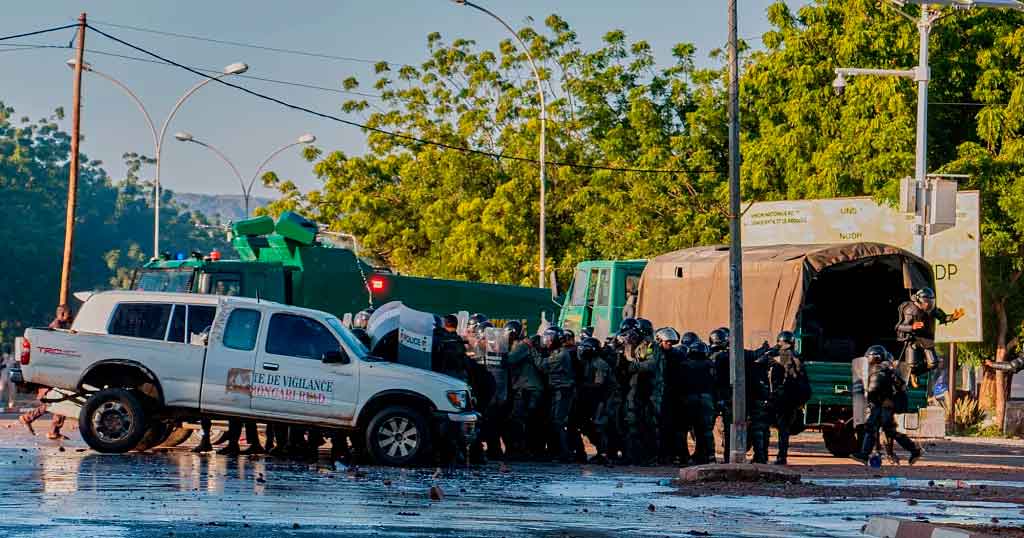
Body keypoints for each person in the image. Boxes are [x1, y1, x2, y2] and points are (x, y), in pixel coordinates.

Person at [852, 345, 923, 466]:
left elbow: (893, 387)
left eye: (872, 357)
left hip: (885, 404)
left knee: (874, 427)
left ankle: (865, 454)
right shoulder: (877, 369)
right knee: (885, 430)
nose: (870, 360)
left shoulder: (887, 369)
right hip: (879, 403)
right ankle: (914, 450)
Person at [750, 331, 809, 465]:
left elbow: (757, 364)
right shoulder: (797, 357)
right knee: (784, 430)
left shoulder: (773, 355)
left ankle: (762, 456)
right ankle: (782, 457)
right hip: (790, 400)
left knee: (763, 426)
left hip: (773, 397)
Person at [19, 305, 74, 439]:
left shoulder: (61, 327)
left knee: (61, 400)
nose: (71, 317)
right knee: (59, 400)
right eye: (69, 314)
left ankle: (52, 429)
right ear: (62, 314)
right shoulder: (57, 328)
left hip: (57, 369)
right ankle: (30, 419)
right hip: (54, 370)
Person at [896, 287, 963, 380]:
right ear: (919, 300)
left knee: (933, 363)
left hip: (926, 338)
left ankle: (916, 374)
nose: (928, 304)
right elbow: (899, 327)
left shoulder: (931, 309)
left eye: (930, 302)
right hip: (913, 339)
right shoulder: (910, 309)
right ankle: (912, 373)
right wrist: (912, 327)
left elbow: (942, 317)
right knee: (911, 365)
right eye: (926, 302)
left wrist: (953, 317)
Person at [623, 320, 661, 465]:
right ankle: (633, 455)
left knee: (649, 423)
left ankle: (651, 457)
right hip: (634, 388)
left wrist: (632, 366)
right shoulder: (629, 344)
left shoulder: (650, 345)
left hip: (650, 389)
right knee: (632, 422)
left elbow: (650, 364)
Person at [535, 327, 576, 462]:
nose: (546, 341)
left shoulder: (561, 355)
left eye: (549, 339)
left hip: (563, 391)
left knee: (558, 422)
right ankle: (557, 451)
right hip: (557, 390)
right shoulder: (556, 352)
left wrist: (532, 350)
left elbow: (541, 365)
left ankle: (565, 453)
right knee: (553, 421)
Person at [505, 322, 543, 460]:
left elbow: (509, 360)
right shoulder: (520, 345)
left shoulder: (522, 346)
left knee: (519, 419)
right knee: (522, 419)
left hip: (527, 388)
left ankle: (522, 450)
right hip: (526, 387)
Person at [576, 337, 616, 464]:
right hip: (596, 398)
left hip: (605, 398)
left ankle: (604, 454)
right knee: (587, 426)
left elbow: (599, 385)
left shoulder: (599, 363)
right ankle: (601, 452)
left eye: (585, 348)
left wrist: (581, 386)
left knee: (599, 426)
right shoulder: (589, 362)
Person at [655, 327, 689, 465]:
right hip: (658, 394)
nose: (669, 344)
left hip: (674, 395)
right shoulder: (655, 354)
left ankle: (675, 455)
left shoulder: (677, 355)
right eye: (667, 342)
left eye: (671, 342)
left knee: (674, 427)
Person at [682, 339, 717, 464]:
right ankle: (710, 455)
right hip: (706, 399)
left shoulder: (685, 364)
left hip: (689, 399)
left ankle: (685, 457)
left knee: (685, 429)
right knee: (705, 430)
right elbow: (715, 383)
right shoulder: (710, 364)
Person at [708, 327, 733, 462]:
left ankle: (709, 455)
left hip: (712, 395)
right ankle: (728, 456)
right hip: (727, 395)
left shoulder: (707, 356)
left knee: (707, 428)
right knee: (729, 428)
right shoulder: (730, 357)